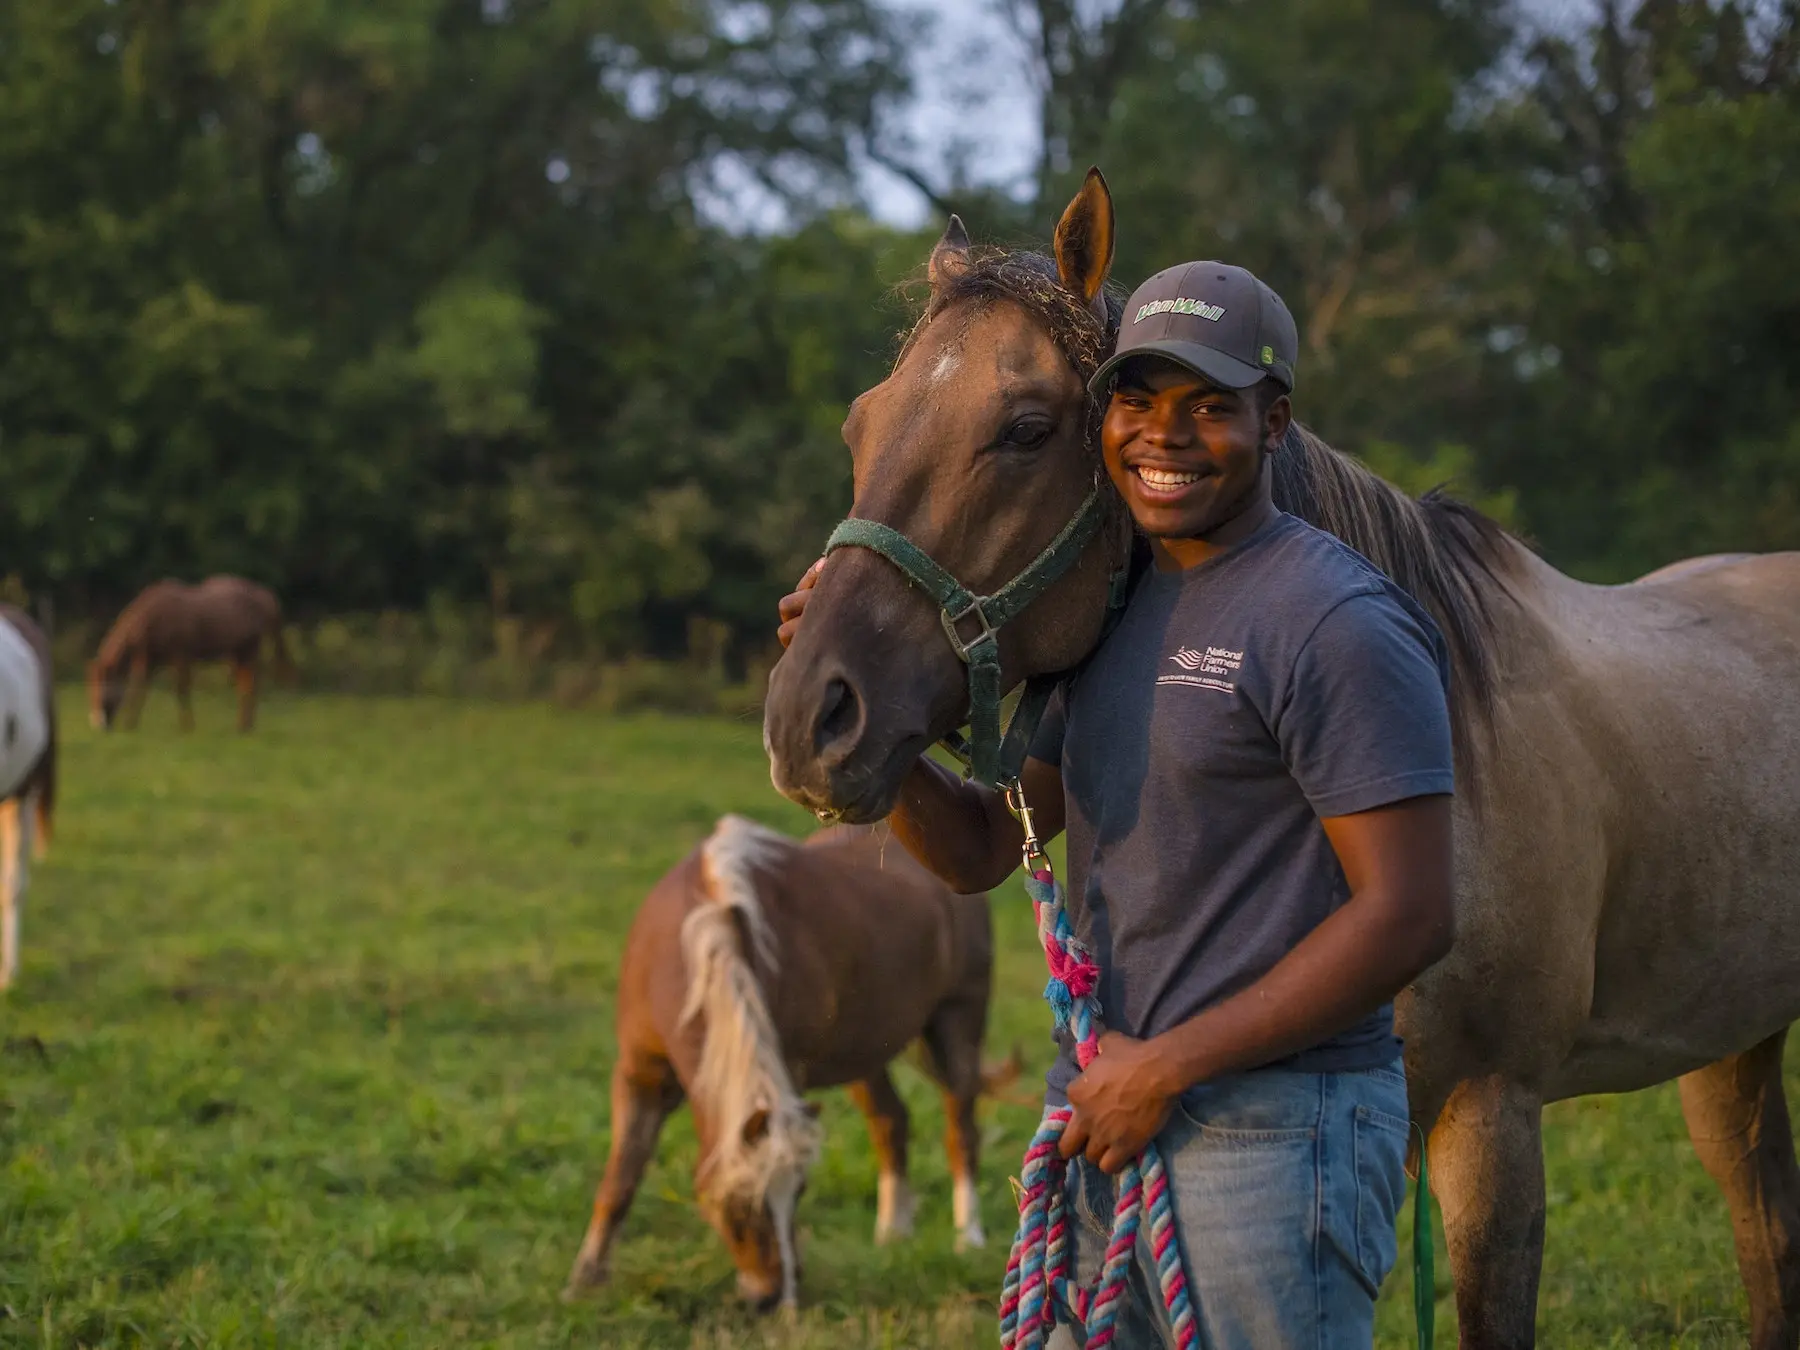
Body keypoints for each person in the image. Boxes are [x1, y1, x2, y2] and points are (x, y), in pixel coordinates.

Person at [778, 261, 1456, 1348]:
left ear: (1274, 423)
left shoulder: (1334, 620)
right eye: (1136, 402)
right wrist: (876, 740)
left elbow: (1413, 913)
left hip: (1276, 1137)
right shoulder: (1106, 612)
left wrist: (1168, 1066)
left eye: (1208, 408)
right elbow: (984, 848)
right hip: (1108, 1116)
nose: (1163, 435)